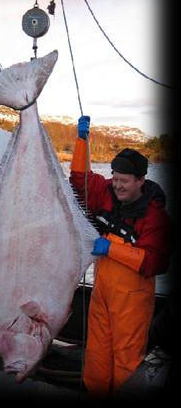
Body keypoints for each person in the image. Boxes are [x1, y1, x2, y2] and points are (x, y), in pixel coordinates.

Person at [69, 115, 172, 399]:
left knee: (126, 362)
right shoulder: (107, 194)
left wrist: (111, 248)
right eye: (114, 179)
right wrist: (81, 141)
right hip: (102, 294)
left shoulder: (156, 217)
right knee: (97, 357)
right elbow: (80, 180)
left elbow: (155, 262)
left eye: (124, 181)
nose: (117, 185)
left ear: (141, 180)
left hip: (132, 302)